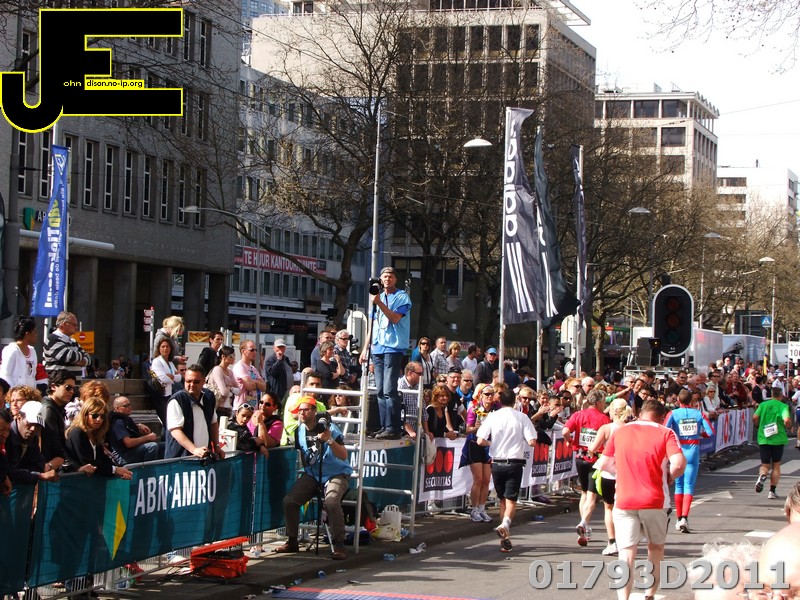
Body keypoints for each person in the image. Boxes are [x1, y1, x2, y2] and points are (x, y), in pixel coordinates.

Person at [596, 400, 686, 600]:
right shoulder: (666, 433)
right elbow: (679, 463)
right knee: (655, 548)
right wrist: (669, 477)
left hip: (624, 499)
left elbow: (603, 464)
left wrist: (621, 473)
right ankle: (649, 594)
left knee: (626, 554)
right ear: (662, 417)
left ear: (639, 413)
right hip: (655, 499)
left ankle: (623, 598)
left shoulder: (620, 431)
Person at [275, 397, 353, 560]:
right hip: (312, 474)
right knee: (289, 501)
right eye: (299, 411)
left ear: (314, 411)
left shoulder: (331, 429)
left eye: (306, 410)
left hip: (336, 473)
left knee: (331, 502)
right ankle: (292, 540)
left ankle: (339, 544)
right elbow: (303, 456)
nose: (301, 413)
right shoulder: (299, 431)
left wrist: (329, 440)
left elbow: (343, 455)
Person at [476, 388, 537, 552]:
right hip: (514, 462)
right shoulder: (522, 417)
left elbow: (480, 440)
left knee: (502, 499)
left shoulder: (493, 416)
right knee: (511, 500)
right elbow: (532, 441)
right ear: (515, 401)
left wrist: (492, 444)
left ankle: (505, 539)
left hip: (497, 462)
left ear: (500, 401)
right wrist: (520, 439)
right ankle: (505, 524)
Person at [359, 266, 411, 440]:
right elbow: (372, 326)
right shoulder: (377, 297)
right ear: (380, 280)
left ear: (395, 279)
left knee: (389, 388)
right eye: (384, 276)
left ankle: (393, 427)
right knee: (380, 390)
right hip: (378, 346)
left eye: (390, 276)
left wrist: (379, 302)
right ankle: (384, 426)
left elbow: (395, 318)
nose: (387, 279)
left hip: (393, 346)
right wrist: (365, 348)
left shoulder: (402, 296)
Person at [562, 388, 610, 546]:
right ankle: (584, 523)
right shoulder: (604, 419)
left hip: (580, 458)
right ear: (598, 402)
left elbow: (565, 431)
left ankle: (585, 526)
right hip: (595, 459)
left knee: (584, 492)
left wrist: (570, 441)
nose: (604, 405)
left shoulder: (578, 415)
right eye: (603, 402)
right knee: (591, 495)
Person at [587, 397, 634, 556]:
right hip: (627, 472)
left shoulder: (606, 428)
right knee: (626, 509)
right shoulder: (632, 428)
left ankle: (612, 542)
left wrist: (591, 449)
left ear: (613, 411)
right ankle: (627, 539)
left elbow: (593, 447)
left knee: (609, 508)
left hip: (609, 473)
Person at [665, 388, 715, 532]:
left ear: (678, 400)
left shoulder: (673, 413)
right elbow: (711, 432)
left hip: (678, 451)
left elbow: (664, 430)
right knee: (689, 485)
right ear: (692, 400)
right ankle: (684, 518)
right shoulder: (699, 414)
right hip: (693, 451)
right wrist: (701, 435)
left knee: (678, 485)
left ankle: (678, 518)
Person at [164, 364, 225, 461]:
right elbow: (175, 430)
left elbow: (213, 423)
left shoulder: (209, 397)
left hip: (204, 458)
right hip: (181, 460)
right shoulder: (177, 400)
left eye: (196, 382)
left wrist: (217, 446)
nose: (192, 385)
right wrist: (194, 450)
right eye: (188, 381)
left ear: (204, 381)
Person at [64, 395, 133, 480]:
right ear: (85, 415)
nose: (99, 419)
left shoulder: (95, 434)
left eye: (102, 416)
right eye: (95, 415)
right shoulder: (77, 432)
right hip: (74, 482)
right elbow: (87, 462)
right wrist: (114, 470)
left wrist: (120, 470)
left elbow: (102, 458)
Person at [461, 383, 497, 523]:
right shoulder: (474, 409)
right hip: (475, 444)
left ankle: (482, 508)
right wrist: (475, 428)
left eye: (491, 394)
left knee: (486, 479)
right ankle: (474, 509)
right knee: (478, 479)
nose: (489, 397)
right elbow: (467, 429)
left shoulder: (496, 409)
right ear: (481, 395)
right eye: (486, 394)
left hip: (488, 445)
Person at [6, 401, 60, 485]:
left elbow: (38, 462)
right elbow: (5, 470)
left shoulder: (32, 439)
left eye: (37, 425)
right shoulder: (5, 436)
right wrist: (39, 476)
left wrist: (47, 470)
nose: (33, 429)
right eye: (30, 423)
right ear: (19, 418)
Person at [753, 387, 792, 499]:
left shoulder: (763, 405)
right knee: (776, 465)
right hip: (778, 439)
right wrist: (789, 426)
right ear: (781, 396)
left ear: (771, 395)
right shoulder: (783, 406)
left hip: (764, 438)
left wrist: (757, 425)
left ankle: (762, 475)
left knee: (765, 464)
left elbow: (755, 417)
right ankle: (772, 491)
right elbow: (786, 420)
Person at [107, 396, 163, 464]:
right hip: (122, 456)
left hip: (132, 451)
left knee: (164, 446)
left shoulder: (125, 419)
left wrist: (139, 427)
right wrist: (147, 437)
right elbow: (129, 443)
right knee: (152, 447)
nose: (130, 407)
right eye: (126, 405)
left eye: (130, 405)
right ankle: (148, 469)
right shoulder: (118, 422)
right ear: (117, 408)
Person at [39, 369, 75, 472]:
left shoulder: (56, 407)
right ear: (53, 386)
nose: (72, 391)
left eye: (73, 388)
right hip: (48, 467)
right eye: (68, 387)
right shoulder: (48, 410)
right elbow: (54, 445)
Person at [42, 311, 91, 383]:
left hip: (75, 386)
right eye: (74, 325)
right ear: (65, 324)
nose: (77, 328)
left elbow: (88, 358)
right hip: (59, 385)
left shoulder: (73, 341)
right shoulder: (52, 339)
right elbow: (69, 356)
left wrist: (79, 360)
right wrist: (80, 358)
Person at [0, 316, 38, 388]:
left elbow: (33, 376)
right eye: (34, 332)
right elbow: (5, 375)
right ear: (27, 334)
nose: (36, 335)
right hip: (15, 393)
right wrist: (13, 392)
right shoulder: (11, 350)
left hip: (30, 393)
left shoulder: (32, 351)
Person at [151, 338, 181, 427]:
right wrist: (173, 378)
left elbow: (179, 378)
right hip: (160, 395)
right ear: (159, 349)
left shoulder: (170, 363)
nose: (165, 349)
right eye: (163, 346)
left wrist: (171, 376)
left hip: (169, 394)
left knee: (171, 420)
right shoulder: (157, 361)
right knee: (166, 421)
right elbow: (163, 378)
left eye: (167, 346)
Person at [206, 345, 240, 418]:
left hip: (228, 408)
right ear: (223, 357)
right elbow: (223, 392)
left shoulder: (230, 371)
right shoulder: (217, 369)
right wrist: (231, 389)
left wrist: (230, 388)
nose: (233, 358)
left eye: (234, 355)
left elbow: (239, 391)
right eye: (231, 356)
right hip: (218, 408)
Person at [233, 339, 267, 410]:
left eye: (256, 350)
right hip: (241, 409)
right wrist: (257, 383)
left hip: (253, 408)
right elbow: (250, 386)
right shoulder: (239, 366)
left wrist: (255, 382)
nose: (255, 352)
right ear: (243, 351)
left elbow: (264, 387)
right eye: (251, 350)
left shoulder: (253, 368)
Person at [263, 339, 294, 403]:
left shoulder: (286, 359)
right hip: (277, 394)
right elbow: (274, 372)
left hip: (288, 392)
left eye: (282, 347)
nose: (280, 349)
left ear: (285, 348)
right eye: (278, 347)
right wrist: (279, 360)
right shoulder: (270, 360)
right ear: (274, 348)